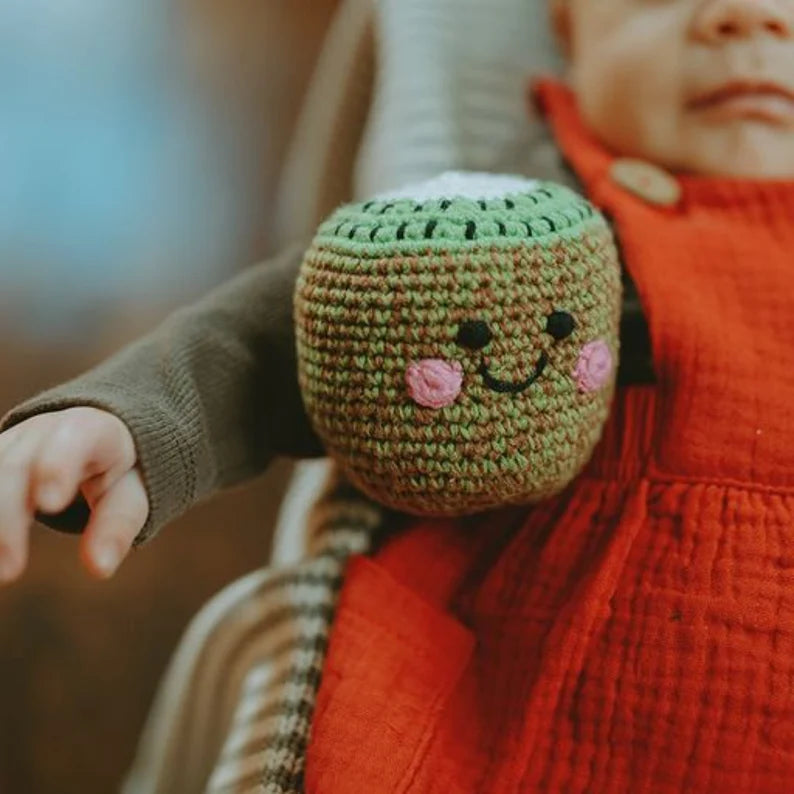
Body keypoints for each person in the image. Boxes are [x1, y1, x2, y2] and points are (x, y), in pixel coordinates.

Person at [2, 0, 794, 791]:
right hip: (509, 722)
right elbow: (297, 332)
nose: (748, 16)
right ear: (565, 33)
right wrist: (140, 417)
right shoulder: (529, 235)